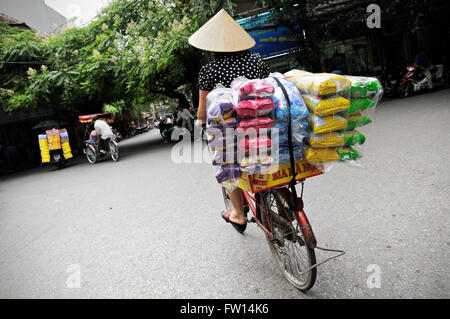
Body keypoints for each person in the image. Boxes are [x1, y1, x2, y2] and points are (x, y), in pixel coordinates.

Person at [189, 9, 270, 233]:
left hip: (230, 132)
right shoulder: (257, 61)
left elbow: (203, 112)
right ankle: (274, 194)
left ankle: (239, 214)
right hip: (262, 123)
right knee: (264, 152)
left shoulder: (209, 70)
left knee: (228, 166)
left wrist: (199, 122)